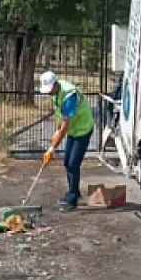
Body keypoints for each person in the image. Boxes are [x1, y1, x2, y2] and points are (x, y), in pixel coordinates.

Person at [40, 70, 95, 211]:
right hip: (73, 129)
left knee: (73, 163)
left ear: (55, 84)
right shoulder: (56, 94)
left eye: (49, 89)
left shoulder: (70, 95)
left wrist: (52, 148)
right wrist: (55, 132)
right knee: (67, 162)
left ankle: (72, 199)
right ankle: (74, 192)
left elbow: (66, 123)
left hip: (82, 129)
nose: (48, 93)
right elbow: (59, 116)